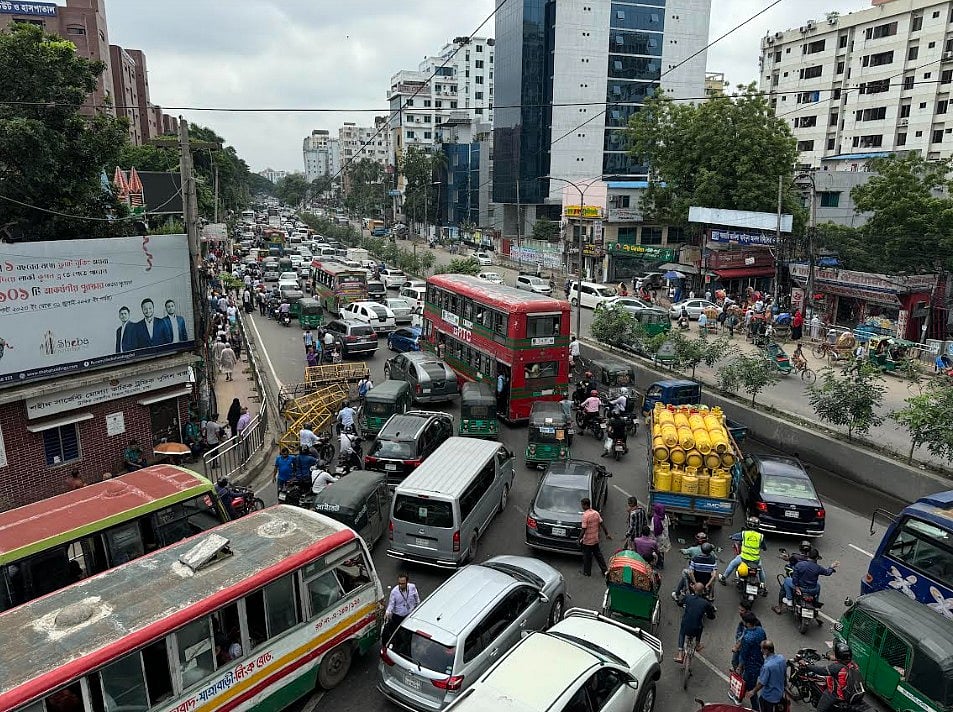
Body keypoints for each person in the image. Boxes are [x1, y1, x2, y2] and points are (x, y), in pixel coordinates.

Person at [801, 642, 865, 712]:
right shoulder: (853, 664)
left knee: (820, 709)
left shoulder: (836, 668)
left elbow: (821, 671)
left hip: (836, 695)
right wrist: (830, 657)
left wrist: (807, 665)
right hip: (850, 691)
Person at [774, 548, 839, 613]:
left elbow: (795, 578)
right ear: (816, 558)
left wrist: (796, 588)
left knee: (787, 580)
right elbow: (827, 572)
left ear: (808, 555)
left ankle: (789, 599)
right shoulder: (818, 568)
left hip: (800, 589)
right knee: (818, 586)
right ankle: (815, 602)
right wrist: (831, 567)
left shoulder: (799, 565)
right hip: (812, 589)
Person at [674, 582, 716, 663]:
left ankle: (680, 654)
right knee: (700, 627)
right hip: (696, 627)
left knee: (682, 633)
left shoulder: (688, 597)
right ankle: (697, 645)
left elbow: (679, 603)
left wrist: (681, 604)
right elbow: (711, 615)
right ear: (703, 591)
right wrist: (710, 616)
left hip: (686, 624)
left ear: (694, 589)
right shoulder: (705, 603)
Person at [720, 516, 767, 587]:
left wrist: (731, 536)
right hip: (755, 560)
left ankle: (723, 578)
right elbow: (764, 547)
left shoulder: (744, 534)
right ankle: (763, 584)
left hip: (743, 558)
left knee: (732, 564)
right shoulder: (760, 536)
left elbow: (735, 536)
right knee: (760, 569)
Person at [733, 613, 768, 710]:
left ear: (748, 623)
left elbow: (744, 654)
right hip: (759, 662)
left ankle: (755, 708)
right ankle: (739, 698)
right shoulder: (761, 631)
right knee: (746, 683)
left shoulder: (747, 637)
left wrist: (739, 667)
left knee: (750, 687)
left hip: (750, 667)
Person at [383, 573, 421, 645]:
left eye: (403, 583)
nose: (400, 585)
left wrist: (418, 608)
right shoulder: (394, 592)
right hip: (398, 617)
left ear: (407, 582)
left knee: (409, 632)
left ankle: (408, 643)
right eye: (399, 583)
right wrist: (387, 613)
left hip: (409, 615)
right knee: (397, 633)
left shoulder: (412, 587)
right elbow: (391, 604)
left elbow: (417, 598)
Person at [750, 640, 787, 712]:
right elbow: (784, 674)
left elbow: (762, 683)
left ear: (766, 650)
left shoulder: (767, 667)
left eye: (762, 649)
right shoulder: (781, 658)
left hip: (769, 697)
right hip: (779, 693)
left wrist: (753, 691)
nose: (761, 650)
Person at [579, 498, 611, 577]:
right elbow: (602, 524)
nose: (582, 506)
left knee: (587, 557)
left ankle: (587, 572)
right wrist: (607, 534)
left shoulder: (585, 515)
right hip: (595, 539)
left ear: (585, 505)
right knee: (598, 555)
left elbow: (583, 529)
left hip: (587, 541)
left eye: (582, 505)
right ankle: (605, 570)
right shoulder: (596, 513)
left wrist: (579, 539)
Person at [730, 600, 756, 669]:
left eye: (742, 610)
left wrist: (737, 646)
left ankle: (738, 669)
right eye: (739, 609)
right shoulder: (746, 619)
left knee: (738, 659)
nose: (739, 611)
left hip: (743, 645)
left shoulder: (748, 623)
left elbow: (744, 636)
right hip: (740, 643)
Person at [651, 503, 670, 568]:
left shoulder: (655, 518)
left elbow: (653, 529)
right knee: (662, 551)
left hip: (658, 537)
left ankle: (657, 563)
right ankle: (661, 563)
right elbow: (668, 524)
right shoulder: (665, 516)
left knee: (656, 550)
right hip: (665, 536)